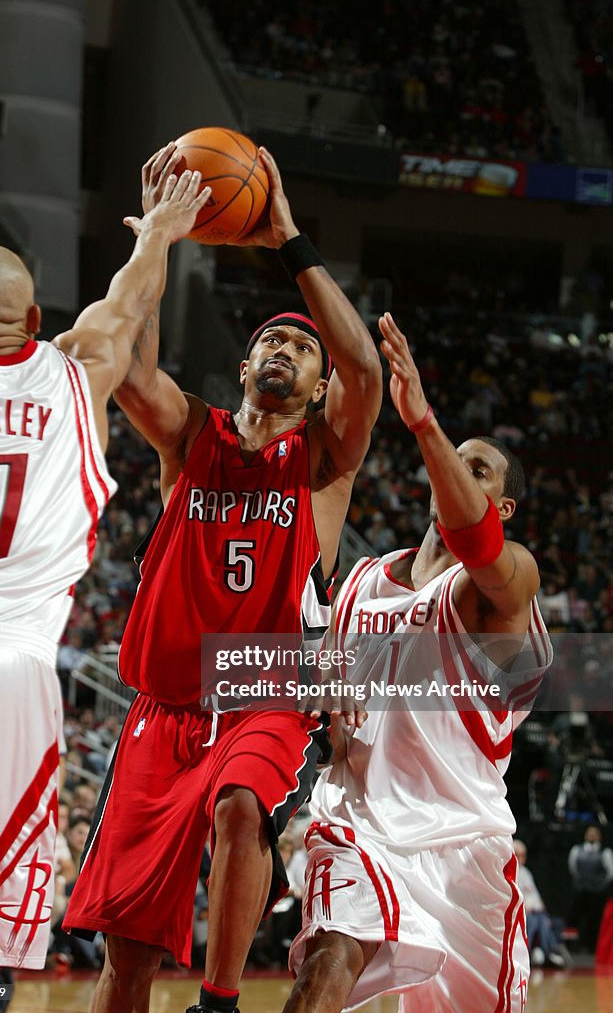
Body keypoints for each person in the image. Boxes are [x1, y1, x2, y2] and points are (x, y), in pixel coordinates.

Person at [63, 143, 383, 1013]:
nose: (284, 346)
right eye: (269, 340)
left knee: (242, 805)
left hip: (265, 692)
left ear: (316, 390)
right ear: (243, 370)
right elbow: (126, 366)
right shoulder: (189, 436)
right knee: (125, 959)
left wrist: (286, 235)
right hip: (163, 707)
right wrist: (159, 240)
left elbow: (367, 369)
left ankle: (220, 999)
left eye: (299, 347)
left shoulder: (320, 462)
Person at [0, 163, 211, 1011]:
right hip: (2, 679)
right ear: (38, 322)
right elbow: (126, 306)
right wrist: (158, 229)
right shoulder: (72, 374)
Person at [284, 312, 553, 1013]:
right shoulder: (363, 578)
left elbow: (479, 545)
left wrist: (424, 423)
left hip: (461, 842)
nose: (456, 474)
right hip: (358, 822)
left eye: (478, 470)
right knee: (325, 962)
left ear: (505, 502)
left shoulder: (506, 581)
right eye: (451, 461)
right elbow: (314, 679)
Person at [513, 839, 566, 967]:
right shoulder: (511, 873)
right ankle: (545, 952)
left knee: (553, 921)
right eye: (517, 855)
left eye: (523, 855)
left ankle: (544, 951)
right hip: (521, 912)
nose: (521, 858)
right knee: (536, 921)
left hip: (536, 911)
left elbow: (535, 895)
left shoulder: (526, 872)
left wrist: (540, 907)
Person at [568, 825, 613, 952]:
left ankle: (593, 946)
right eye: (590, 833)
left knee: (595, 919)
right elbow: (573, 868)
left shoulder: (605, 852)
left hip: (597, 892)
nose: (592, 836)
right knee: (574, 918)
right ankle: (572, 947)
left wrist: (600, 885)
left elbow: (610, 873)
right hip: (580, 889)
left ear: (599, 836)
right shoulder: (577, 850)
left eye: (595, 834)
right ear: (585, 835)